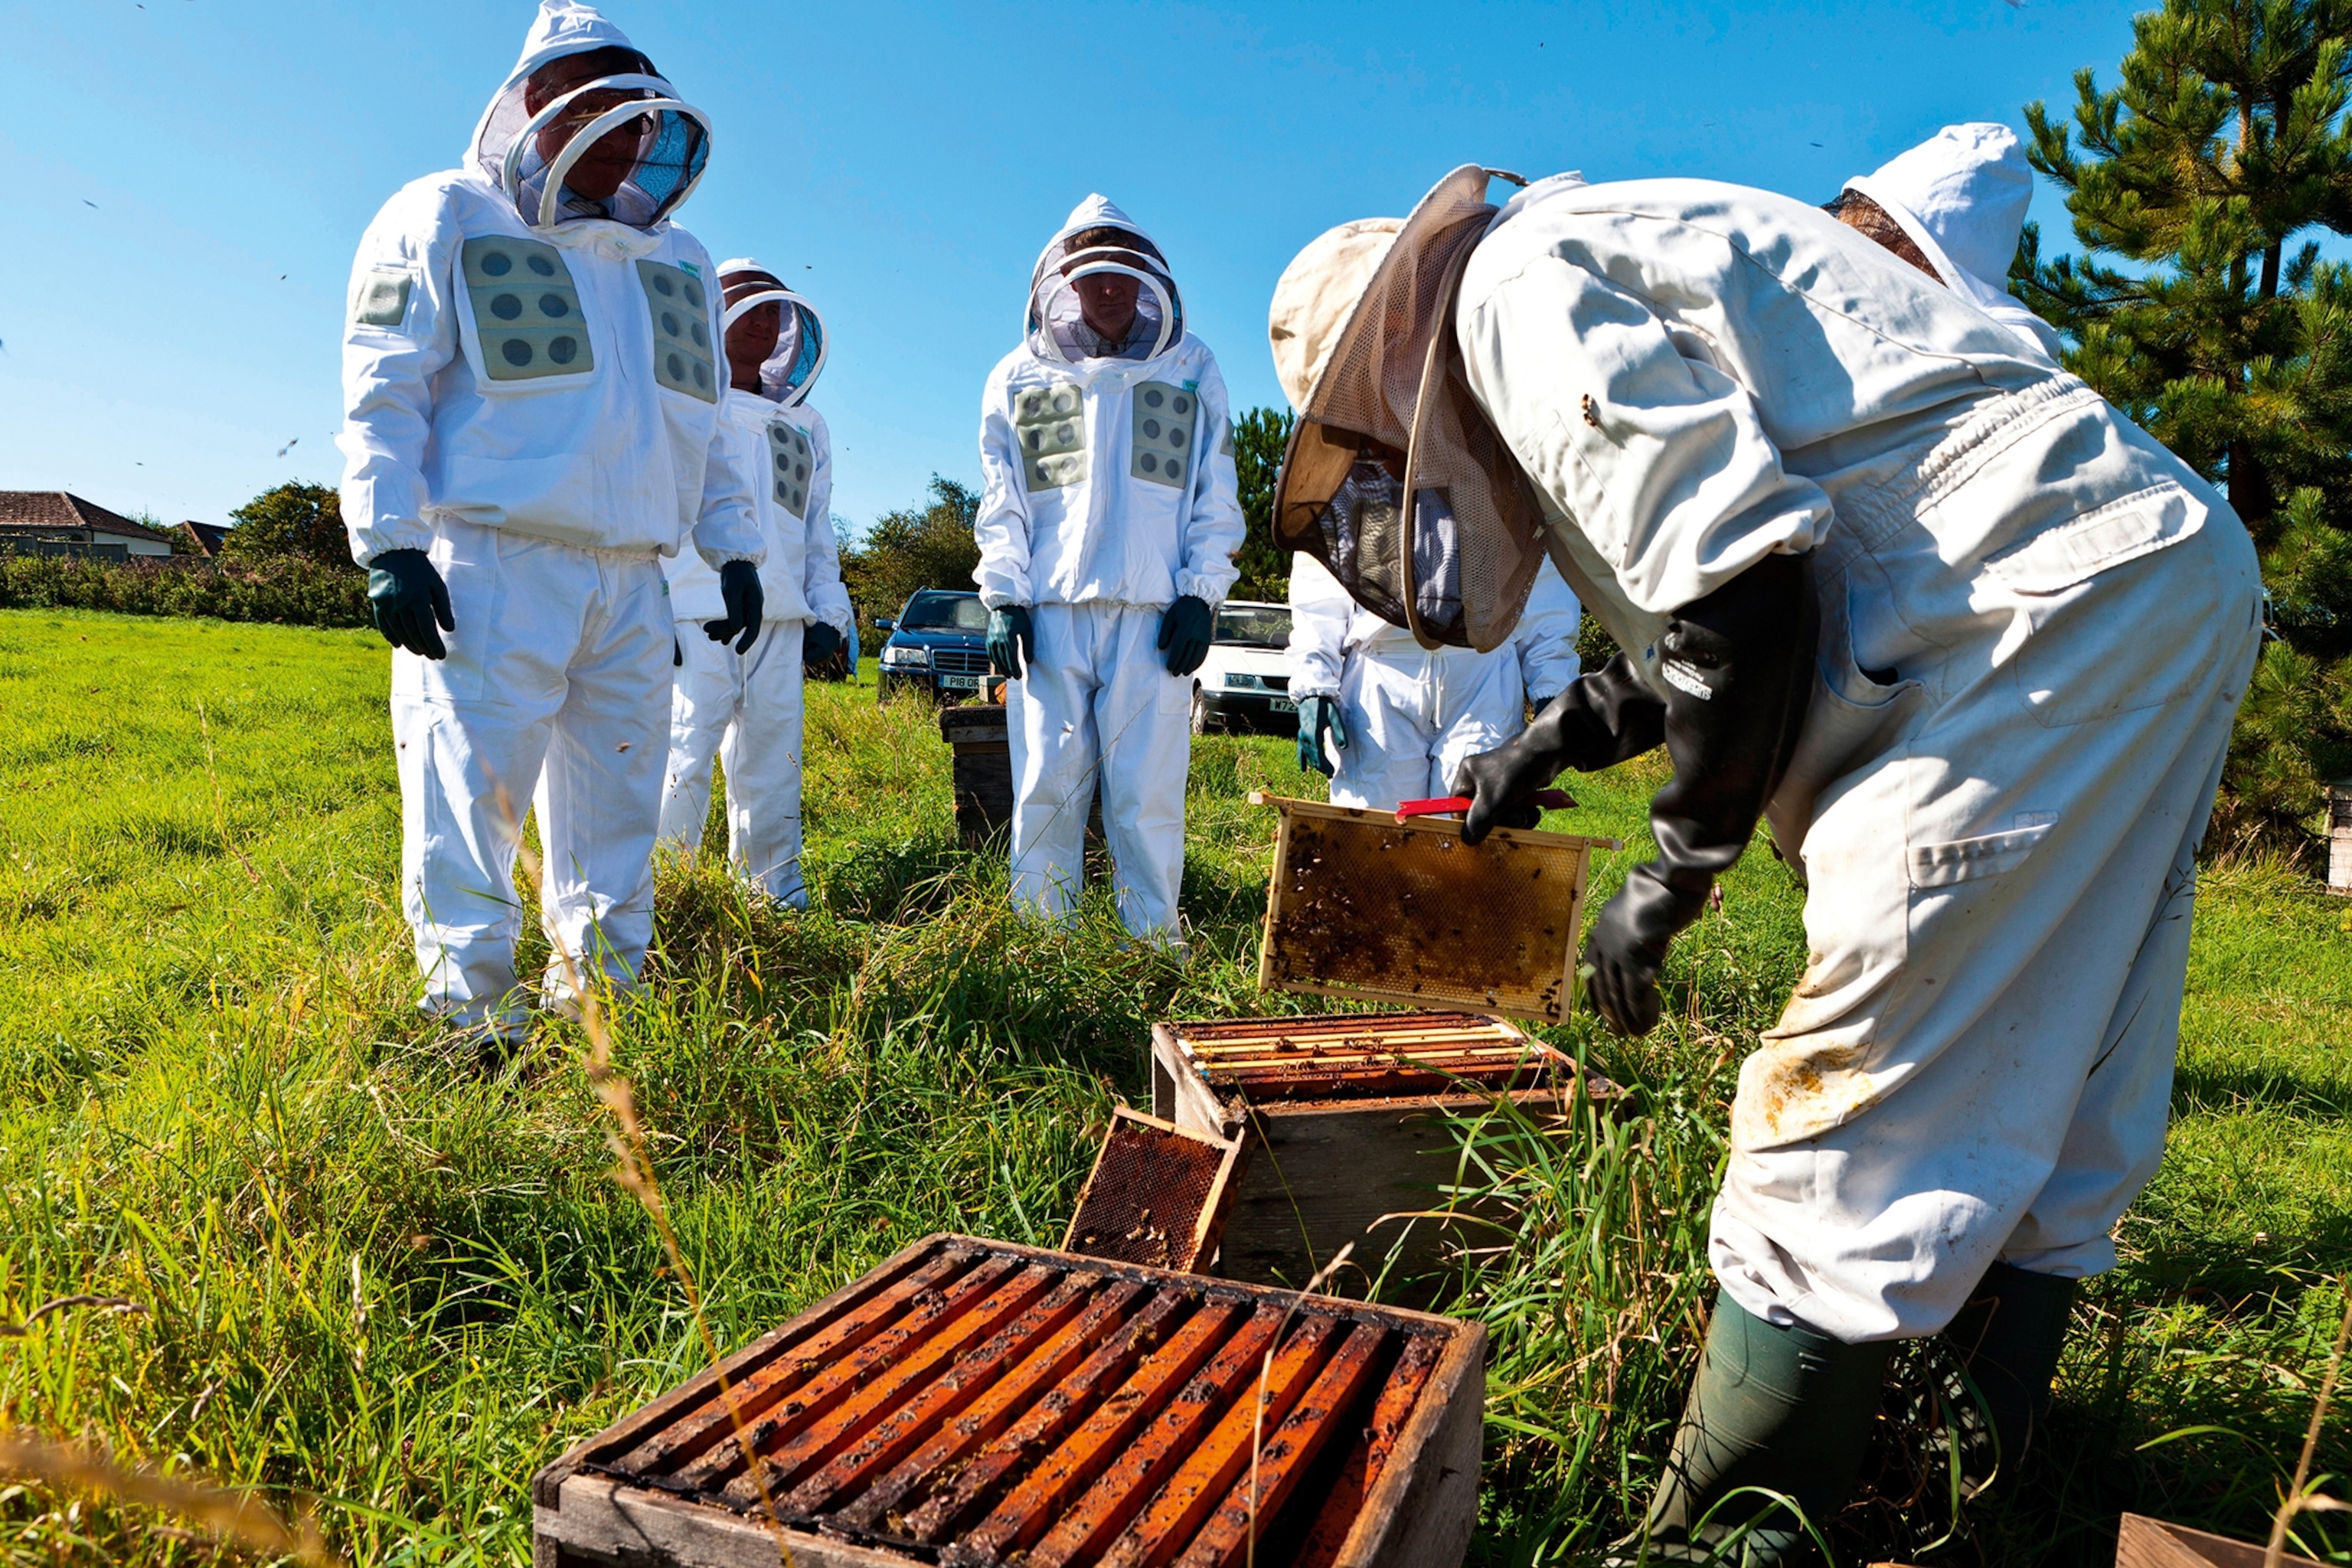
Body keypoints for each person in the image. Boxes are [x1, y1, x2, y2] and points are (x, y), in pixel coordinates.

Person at [1267, 158, 2259, 1562]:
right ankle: (1959, 1502)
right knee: (2068, 1069)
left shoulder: (1508, 290)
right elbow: (1739, 604)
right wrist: (1547, 739)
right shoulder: (1618, 240)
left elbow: (1748, 591)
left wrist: (1669, 878)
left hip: (2028, 626)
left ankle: (1719, 1542)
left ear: (1387, 358)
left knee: (1833, 1120)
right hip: (2153, 572)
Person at [337, 0, 763, 1050]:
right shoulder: (443, 212)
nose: (626, 142)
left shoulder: (678, 260)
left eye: (640, 124)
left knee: (617, 807)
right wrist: (389, 539)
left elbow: (698, 422)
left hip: (630, 578)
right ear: (534, 102)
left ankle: (610, 1006)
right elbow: (383, 381)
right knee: (472, 803)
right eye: (606, 113)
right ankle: (470, 1025)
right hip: (488, 563)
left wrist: (734, 548)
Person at [973, 195, 1245, 947]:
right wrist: (1003, 595)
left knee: (1146, 794)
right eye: (1094, 275)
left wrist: (1200, 593)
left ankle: (1152, 949)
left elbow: (1212, 492)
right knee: (1047, 788)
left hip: (1155, 618)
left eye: (1124, 272)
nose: (1111, 289)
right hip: (1050, 617)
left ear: (1147, 278)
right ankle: (1044, 952)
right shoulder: (1020, 377)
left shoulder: (1191, 369)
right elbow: (1006, 498)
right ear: (1065, 281)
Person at [655, 261, 851, 908]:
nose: (764, 322)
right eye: (749, 305)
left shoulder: (806, 423)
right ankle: (658, 897)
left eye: (775, 311)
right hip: (694, 609)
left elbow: (815, 528)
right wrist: (652, 600)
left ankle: (774, 897)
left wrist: (829, 610)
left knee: (772, 767)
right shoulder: (683, 395)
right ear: (715, 311)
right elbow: (653, 500)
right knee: (679, 759)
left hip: (781, 619)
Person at [1289, 550, 1582, 810]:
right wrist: (1314, 682)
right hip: (1379, 673)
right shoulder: (1359, 487)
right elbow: (1320, 579)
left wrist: (1553, 693)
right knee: (1372, 829)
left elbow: (1544, 592)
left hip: (1484, 676)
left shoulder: (1514, 489)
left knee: (1470, 829)